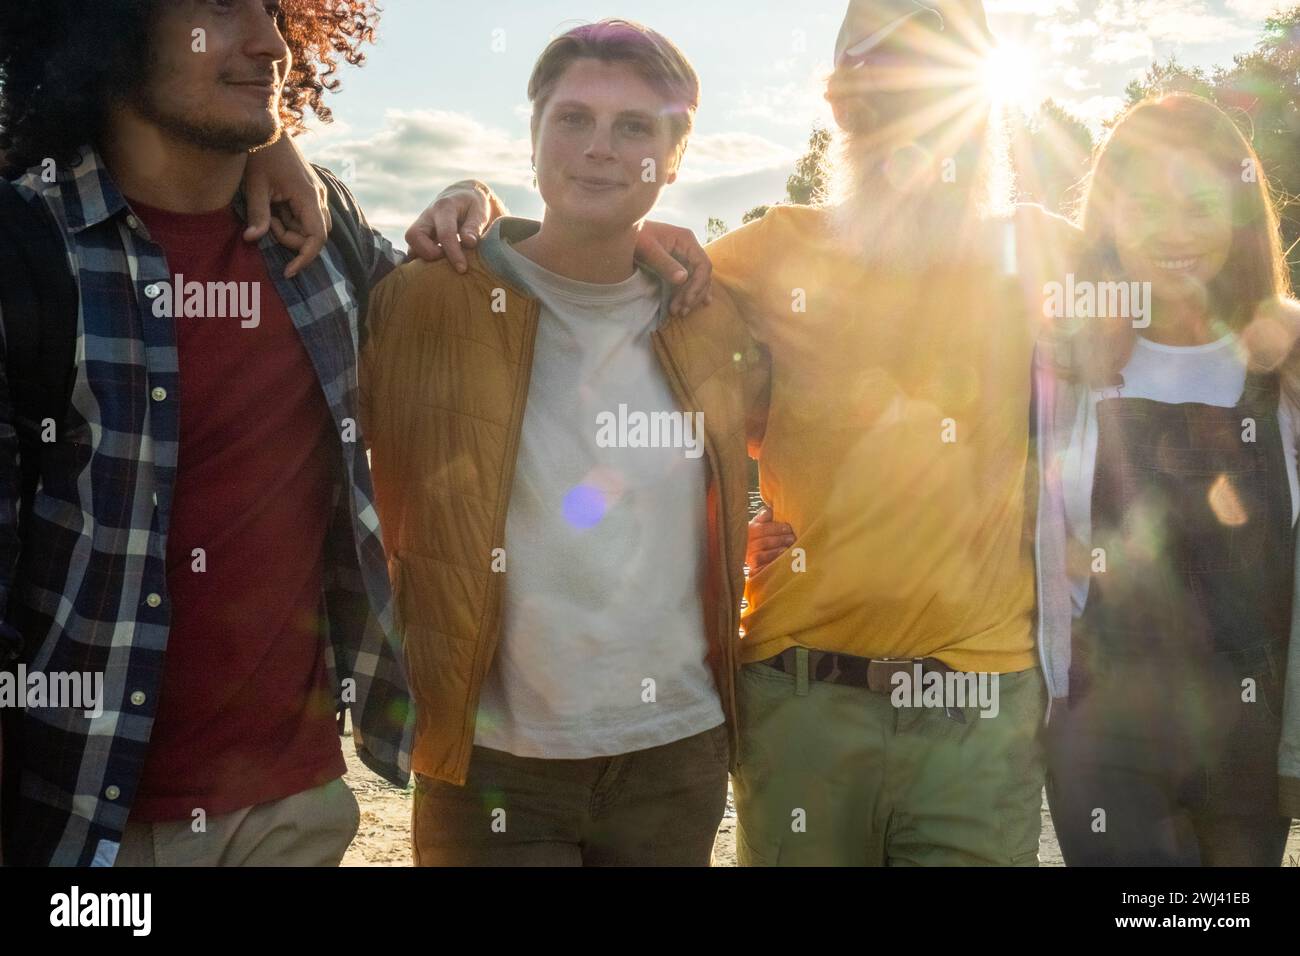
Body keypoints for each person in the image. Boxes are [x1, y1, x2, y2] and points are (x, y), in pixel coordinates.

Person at [418, 0, 1300, 866]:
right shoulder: (768, 253)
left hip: (983, 715)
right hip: (803, 701)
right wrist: (479, 207)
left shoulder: (1046, 253)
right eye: (877, 90)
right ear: (838, 107)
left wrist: (1284, 323)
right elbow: (597, 260)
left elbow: (1188, 299)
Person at [0, 0, 413, 867]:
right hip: (87, 824)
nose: (270, 42)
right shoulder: (27, 251)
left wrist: (479, 209)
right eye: (222, 9)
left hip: (295, 806)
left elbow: (466, 313)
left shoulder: (317, 228)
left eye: (273, 9)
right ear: (106, 30)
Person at [359, 19, 768, 866]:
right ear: (534, 139)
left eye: (635, 128)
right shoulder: (423, 301)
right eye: (573, 119)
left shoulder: (713, 317)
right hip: (493, 762)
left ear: (674, 160)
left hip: (675, 751)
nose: (600, 149)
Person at [1037, 93, 1300, 865]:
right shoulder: (1064, 365)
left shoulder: (1287, 368)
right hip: (1103, 733)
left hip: (1249, 736)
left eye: (1200, 205)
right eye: (1147, 204)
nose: (1177, 232)